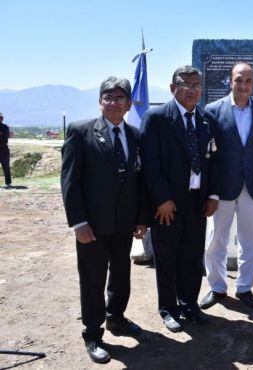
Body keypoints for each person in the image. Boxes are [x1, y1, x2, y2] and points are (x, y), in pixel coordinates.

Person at [60, 77, 149, 364]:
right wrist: (78, 222)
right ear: (100, 102)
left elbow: (139, 181)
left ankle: (117, 319)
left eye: (120, 97)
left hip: (124, 224)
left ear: (128, 103)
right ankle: (93, 333)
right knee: (92, 279)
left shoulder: (135, 135)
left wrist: (141, 218)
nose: (114, 102)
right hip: (92, 226)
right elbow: (70, 182)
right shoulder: (80, 131)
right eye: (108, 97)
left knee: (121, 275)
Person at [140, 65, 219, 332]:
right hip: (168, 205)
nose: (192, 89)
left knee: (192, 256)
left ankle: (189, 304)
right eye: (186, 84)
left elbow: (213, 161)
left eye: (197, 85)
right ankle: (169, 308)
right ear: (173, 88)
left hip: (198, 202)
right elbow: (150, 164)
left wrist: (213, 195)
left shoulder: (207, 120)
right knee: (167, 259)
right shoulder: (157, 118)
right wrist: (161, 198)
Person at [200, 62, 253, 310]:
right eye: (238, 80)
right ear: (230, 81)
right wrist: (208, 190)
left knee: (251, 240)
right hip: (221, 189)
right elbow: (206, 153)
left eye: (247, 81)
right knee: (215, 240)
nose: (243, 85)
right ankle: (217, 287)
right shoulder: (212, 110)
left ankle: (245, 287)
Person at [0, 112, 12, 188]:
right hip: (3, 147)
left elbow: (5, 138)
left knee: (6, 166)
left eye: (0, 118)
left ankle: (8, 183)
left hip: (3, 149)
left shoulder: (5, 127)